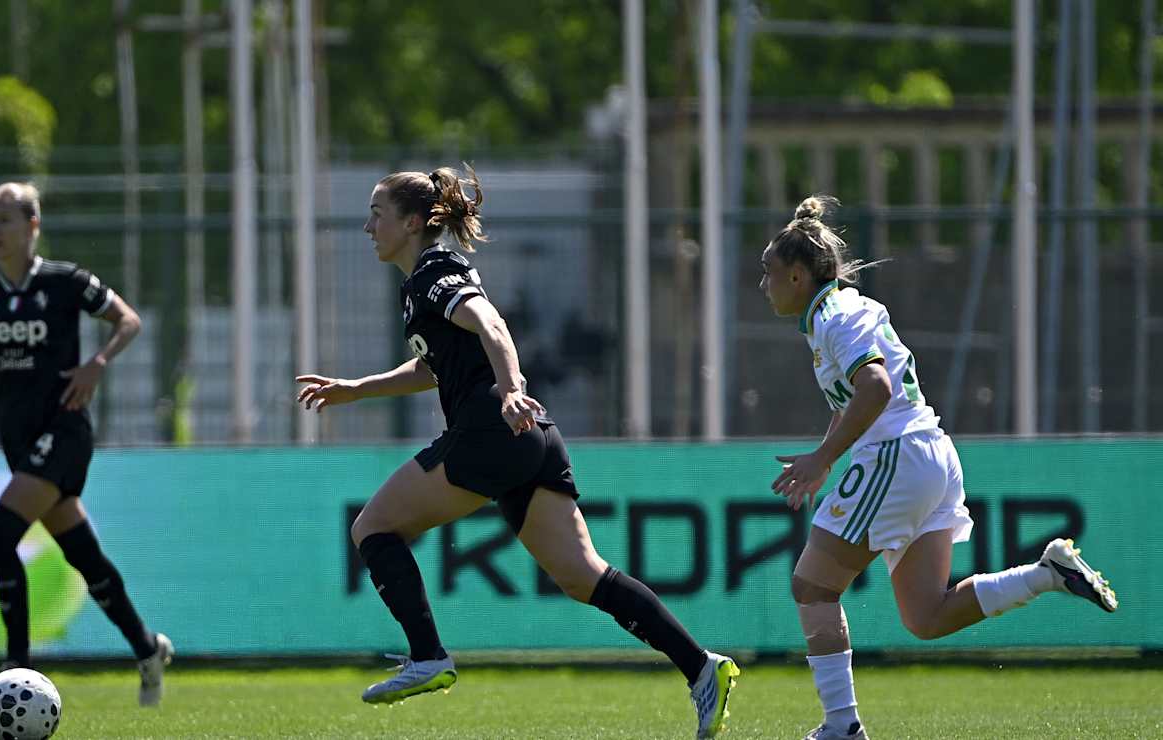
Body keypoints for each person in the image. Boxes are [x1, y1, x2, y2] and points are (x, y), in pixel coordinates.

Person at [296, 165, 738, 738]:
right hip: (529, 436)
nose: (367, 227)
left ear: (411, 223)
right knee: (583, 577)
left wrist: (509, 390)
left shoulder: (433, 272)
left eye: (377, 214)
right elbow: (434, 367)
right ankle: (701, 667)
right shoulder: (425, 281)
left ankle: (428, 656)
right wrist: (357, 389)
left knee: (372, 529)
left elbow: (493, 325)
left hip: (492, 427)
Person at [760, 195, 1119, 740]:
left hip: (896, 457)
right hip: (929, 455)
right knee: (925, 616)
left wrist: (824, 458)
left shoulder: (834, 316)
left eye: (768, 271)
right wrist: (825, 454)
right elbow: (856, 397)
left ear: (796, 275)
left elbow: (876, 387)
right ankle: (1047, 573)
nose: (762, 283)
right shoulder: (837, 314)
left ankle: (841, 726)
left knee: (812, 587)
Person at [0, 182, 173, 707]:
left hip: (65, 431)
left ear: (33, 226)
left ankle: (16, 667)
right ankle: (147, 648)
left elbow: (128, 320)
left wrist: (98, 364)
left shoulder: (65, 282)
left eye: (5, 219)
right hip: (19, 440)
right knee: (84, 556)